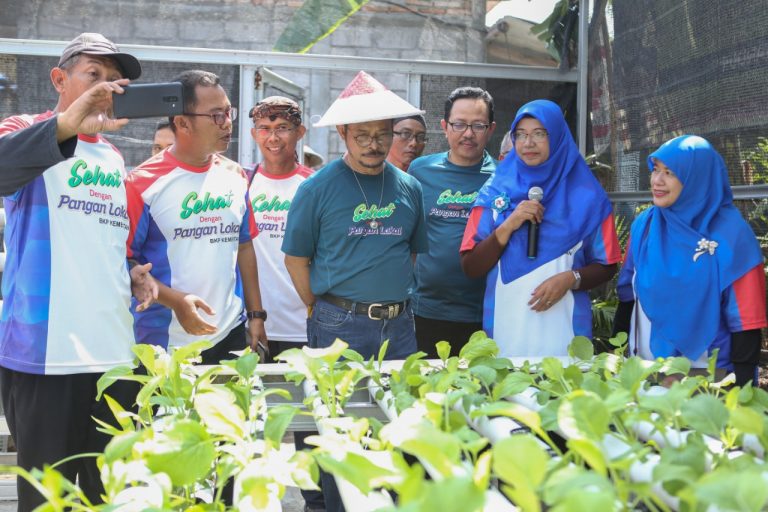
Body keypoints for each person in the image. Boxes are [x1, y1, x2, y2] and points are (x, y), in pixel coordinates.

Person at [0, 32, 156, 510]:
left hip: (113, 353)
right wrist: (70, 122)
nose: (107, 89)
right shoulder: (23, 127)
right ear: (59, 79)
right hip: (46, 354)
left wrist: (131, 270)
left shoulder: (111, 155)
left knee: (112, 494)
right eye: (95, 77)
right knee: (49, 499)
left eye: (115, 80)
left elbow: (100, 237)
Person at [125, 70, 268, 364]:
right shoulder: (141, 184)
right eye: (216, 115)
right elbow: (124, 262)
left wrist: (256, 316)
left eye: (229, 112)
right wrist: (175, 301)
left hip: (228, 333)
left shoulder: (235, 175)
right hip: (162, 343)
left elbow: (244, 246)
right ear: (182, 122)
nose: (227, 123)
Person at [460, 99, 620, 358]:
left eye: (539, 134)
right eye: (520, 135)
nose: (528, 143)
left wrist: (571, 279)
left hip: (565, 330)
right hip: (506, 329)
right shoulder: (494, 191)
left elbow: (608, 265)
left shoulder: (589, 197)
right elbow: (471, 266)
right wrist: (510, 224)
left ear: (557, 136)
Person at [614, 135, 766, 386]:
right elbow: (627, 293)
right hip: (642, 372)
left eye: (670, 172)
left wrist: (742, 390)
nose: (657, 180)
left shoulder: (733, 236)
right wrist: (615, 352)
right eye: (655, 170)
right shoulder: (645, 224)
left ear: (697, 177)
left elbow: (747, 321)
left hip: (710, 380)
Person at [246, 95, 326, 512]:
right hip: (255, 327)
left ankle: (315, 503)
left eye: (282, 128)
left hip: (307, 324)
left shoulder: (313, 184)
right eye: (264, 128)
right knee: (260, 429)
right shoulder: (240, 183)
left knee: (309, 428)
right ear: (253, 132)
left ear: (300, 132)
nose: (272, 137)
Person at [408, 87, 497, 357]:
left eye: (477, 125)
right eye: (459, 124)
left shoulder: (503, 178)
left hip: (485, 312)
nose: (468, 133)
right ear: (445, 127)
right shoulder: (420, 171)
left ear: (491, 129)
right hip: (426, 311)